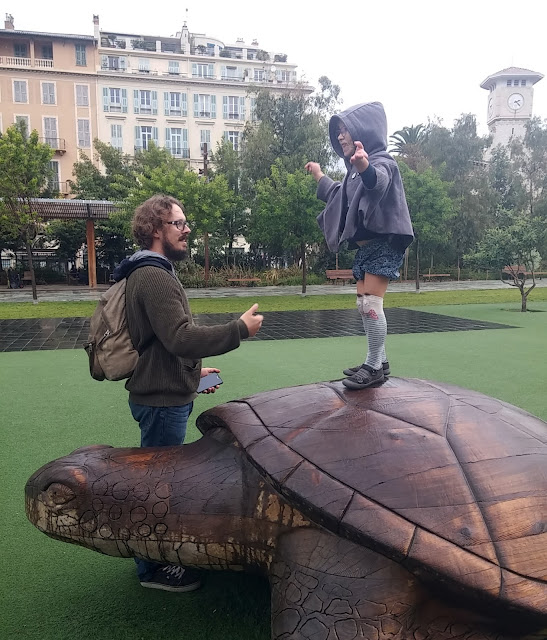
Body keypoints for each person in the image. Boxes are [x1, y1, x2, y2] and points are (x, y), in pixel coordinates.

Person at [112, 194, 263, 592]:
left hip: (164, 391)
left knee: (161, 480)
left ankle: (154, 559)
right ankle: (152, 569)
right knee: (157, 486)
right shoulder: (154, 275)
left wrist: (194, 370)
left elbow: (164, 342)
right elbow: (179, 337)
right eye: (179, 224)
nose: (187, 230)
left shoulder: (152, 271)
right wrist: (238, 330)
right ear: (156, 230)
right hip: (161, 401)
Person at [305, 102, 413, 390]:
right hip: (368, 247)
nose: (340, 136)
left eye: (345, 130)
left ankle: (374, 365)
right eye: (338, 131)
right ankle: (380, 360)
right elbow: (339, 194)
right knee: (363, 302)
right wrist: (318, 174)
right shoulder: (352, 172)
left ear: (364, 131)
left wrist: (364, 165)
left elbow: (376, 182)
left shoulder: (383, 162)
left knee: (371, 304)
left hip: (385, 243)